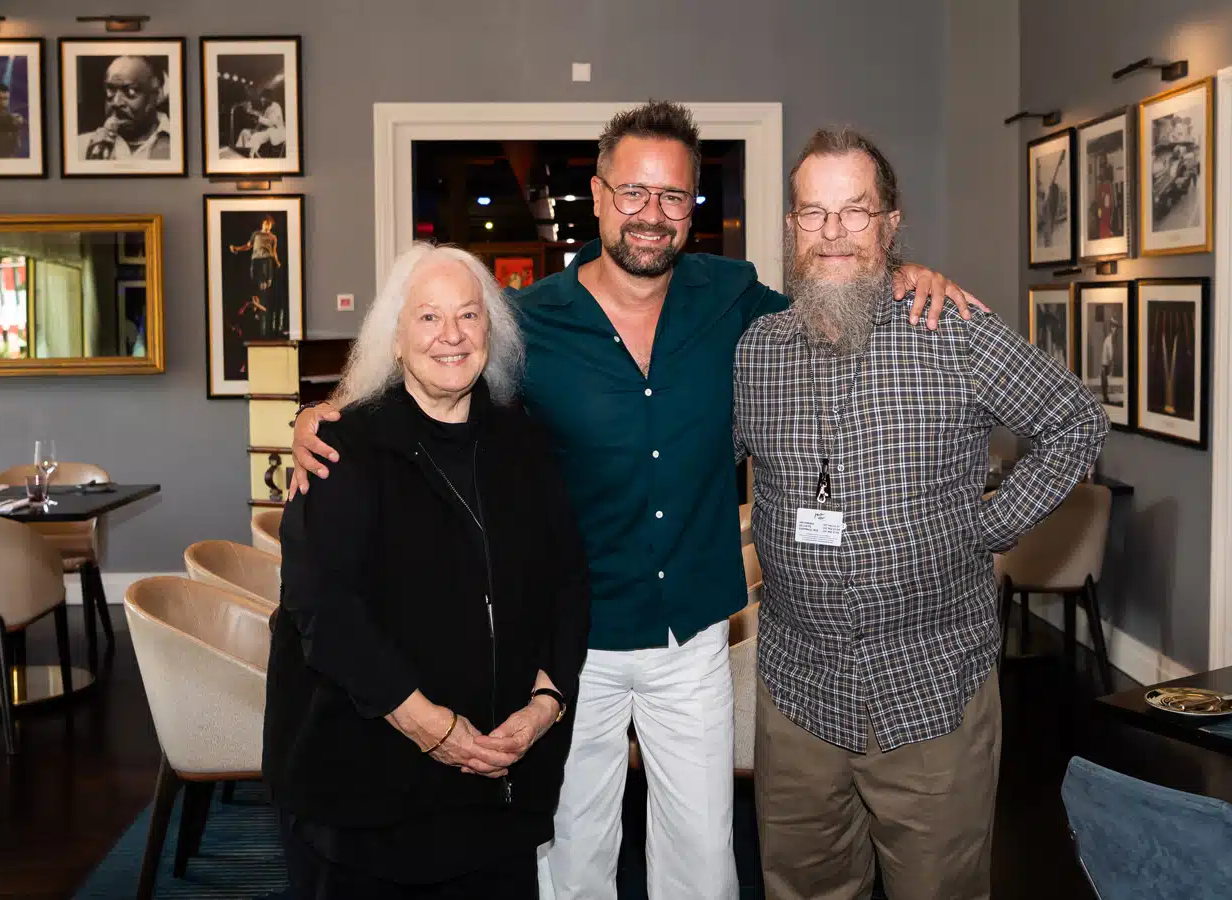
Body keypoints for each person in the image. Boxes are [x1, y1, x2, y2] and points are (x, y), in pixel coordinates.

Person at [290, 101, 985, 900]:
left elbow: (833, 306)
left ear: (695, 206)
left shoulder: (736, 301)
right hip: (567, 641)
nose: (651, 216)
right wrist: (322, 410)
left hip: (690, 629)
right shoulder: (526, 322)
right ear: (597, 193)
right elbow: (431, 378)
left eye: (673, 197)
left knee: (701, 849)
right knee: (573, 842)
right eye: (633, 193)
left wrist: (898, 270)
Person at [735, 128, 1107, 900]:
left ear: (890, 224)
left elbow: (1075, 420)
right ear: (790, 227)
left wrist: (991, 526)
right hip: (799, 694)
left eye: (855, 211)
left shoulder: (954, 330)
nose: (833, 232)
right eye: (813, 213)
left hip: (931, 694)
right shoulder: (755, 353)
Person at [265, 243, 591, 898]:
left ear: (489, 332)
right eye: (429, 318)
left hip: (497, 786)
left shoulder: (523, 444)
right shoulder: (341, 448)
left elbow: (568, 583)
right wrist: (431, 727)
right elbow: (323, 612)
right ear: (396, 337)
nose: (451, 336)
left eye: (468, 316)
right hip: (370, 797)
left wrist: (546, 705)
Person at [81, 55, 172, 160]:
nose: (116, 102)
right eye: (111, 90)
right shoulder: (80, 147)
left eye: (130, 91)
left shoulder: (180, 143)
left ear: (158, 95)